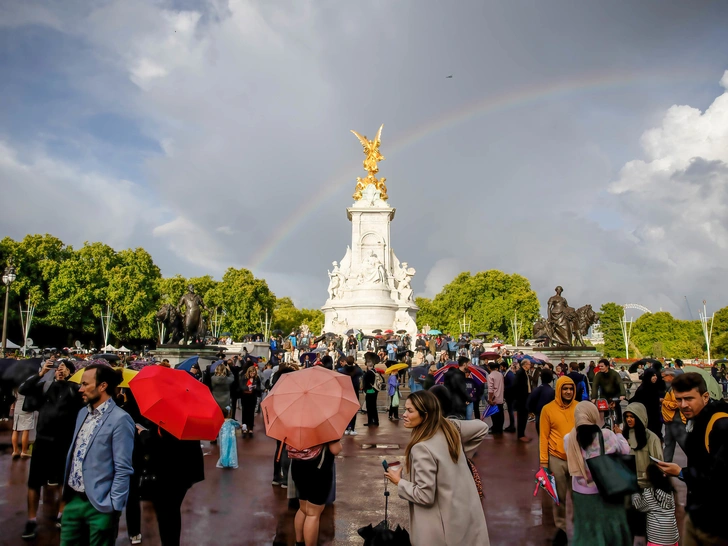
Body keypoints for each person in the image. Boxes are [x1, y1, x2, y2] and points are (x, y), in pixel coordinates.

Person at [383, 390, 490, 546]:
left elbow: (424, 495)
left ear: (425, 415)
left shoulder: (421, 448)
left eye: (410, 411)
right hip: (465, 517)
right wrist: (458, 454)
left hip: (441, 529)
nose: (404, 414)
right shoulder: (450, 429)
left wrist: (399, 482)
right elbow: (482, 427)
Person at [61, 364, 135, 546]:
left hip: (100, 506)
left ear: (102, 386)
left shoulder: (120, 419)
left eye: (85, 384)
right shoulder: (82, 413)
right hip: (73, 501)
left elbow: (123, 468)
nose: (80, 389)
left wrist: (113, 506)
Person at [657, 373, 728, 545]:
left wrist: (680, 472)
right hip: (697, 515)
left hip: (717, 526)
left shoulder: (720, 424)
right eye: (679, 399)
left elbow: (719, 478)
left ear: (705, 396)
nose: (683, 405)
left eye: (689, 399)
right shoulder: (698, 420)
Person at [19, 358, 83, 540]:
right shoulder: (45, 387)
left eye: (64, 368)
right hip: (43, 441)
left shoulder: (74, 389)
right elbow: (24, 390)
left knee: (63, 481)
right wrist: (40, 374)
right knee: (34, 482)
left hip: (63, 442)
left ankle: (62, 514)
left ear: (70, 372)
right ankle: (31, 519)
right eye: (58, 368)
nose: (60, 370)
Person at [565, 401, 631, 546]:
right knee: (608, 527)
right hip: (607, 489)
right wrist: (619, 436)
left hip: (581, 493)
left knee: (585, 530)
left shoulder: (569, 439)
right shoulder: (607, 435)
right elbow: (626, 450)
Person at [140, 424, 204, 545]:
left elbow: (160, 444)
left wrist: (143, 434)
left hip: (168, 473)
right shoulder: (188, 418)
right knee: (172, 511)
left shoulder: (169, 420)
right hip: (184, 472)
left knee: (166, 513)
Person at [614, 402, 663, 541]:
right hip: (628, 488)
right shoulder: (623, 435)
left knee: (648, 527)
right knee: (628, 526)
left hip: (646, 488)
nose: (629, 420)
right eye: (627, 416)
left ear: (640, 417)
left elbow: (658, 463)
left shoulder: (652, 438)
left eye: (632, 416)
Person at [538, 376, 576, 546]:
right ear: (559, 390)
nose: (568, 392)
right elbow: (543, 437)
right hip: (556, 459)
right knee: (559, 497)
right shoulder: (547, 409)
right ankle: (561, 528)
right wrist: (544, 463)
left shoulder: (579, 407)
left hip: (576, 460)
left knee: (578, 495)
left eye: (571, 389)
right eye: (565, 389)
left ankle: (577, 526)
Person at [291, 440, 342, 546]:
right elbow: (335, 449)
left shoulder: (295, 423)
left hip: (297, 465)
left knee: (303, 508)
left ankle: (299, 543)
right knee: (313, 514)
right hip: (318, 469)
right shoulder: (324, 424)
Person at [631, 465, 679, 546]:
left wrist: (635, 492)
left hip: (657, 540)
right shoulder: (671, 492)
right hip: (672, 539)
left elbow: (638, 505)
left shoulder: (650, 494)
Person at [661, 368, 688, 462]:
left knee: (683, 442)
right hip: (670, 420)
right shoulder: (671, 388)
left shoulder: (675, 389)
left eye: (664, 377)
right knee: (668, 443)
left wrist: (664, 402)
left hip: (676, 420)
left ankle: (696, 461)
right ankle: (666, 465)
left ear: (670, 377)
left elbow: (676, 404)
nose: (663, 379)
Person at [630, 368, 663, 440]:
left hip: (655, 417)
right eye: (653, 375)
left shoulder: (654, 387)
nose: (655, 377)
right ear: (648, 376)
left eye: (656, 375)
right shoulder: (642, 389)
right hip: (646, 418)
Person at [591, 358, 626, 424]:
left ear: (607, 366)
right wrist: (593, 397)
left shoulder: (614, 373)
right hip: (604, 395)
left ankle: (619, 423)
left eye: (602, 366)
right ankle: (604, 424)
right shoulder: (598, 375)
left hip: (615, 394)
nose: (600, 368)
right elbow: (594, 386)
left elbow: (620, 383)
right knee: (603, 411)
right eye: (599, 366)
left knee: (616, 407)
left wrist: (622, 394)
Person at [527, 368, 555, 435]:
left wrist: (534, 411)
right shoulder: (552, 392)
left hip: (539, 416)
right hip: (550, 418)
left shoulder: (536, 390)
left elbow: (529, 403)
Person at [11, 388, 35, 458]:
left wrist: (12, 407)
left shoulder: (16, 384)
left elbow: (13, 398)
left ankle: (15, 450)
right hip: (26, 407)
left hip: (17, 408)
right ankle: (24, 451)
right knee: (26, 429)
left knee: (15, 429)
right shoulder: (27, 384)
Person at [240, 365, 262, 437]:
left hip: (252, 397)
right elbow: (241, 386)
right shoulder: (244, 377)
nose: (252, 374)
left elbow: (259, 387)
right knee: (244, 412)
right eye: (251, 373)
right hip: (245, 397)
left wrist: (255, 387)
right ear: (248, 373)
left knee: (251, 413)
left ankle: (251, 428)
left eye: (254, 373)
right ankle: (244, 428)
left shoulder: (257, 378)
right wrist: (247, 387)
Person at [515, 358, 533, 442]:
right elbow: (518, 387)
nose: (530, 365)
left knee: (524, 416)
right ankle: (520, 435)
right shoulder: (520, 373)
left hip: (526, 397)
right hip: (522, 399)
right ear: (525, 364)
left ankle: (522, 433)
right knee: (522, 417)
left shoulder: (525, 373)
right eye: (529, 364)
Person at [487, 361, 505, 434]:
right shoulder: (500, 374)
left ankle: (495, 428)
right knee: (501, 413)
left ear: (489, 368)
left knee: (494, 414)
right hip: (500, 396)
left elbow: (490, 389)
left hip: (494, 397)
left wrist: (490, 399)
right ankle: (500, 428)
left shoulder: (490, 376)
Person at [362, 362, 380, 427]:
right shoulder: (375, 372)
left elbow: (366, 382)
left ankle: (370, 421)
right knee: (374, 406)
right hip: (375, 390)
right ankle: (376, 421)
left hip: (370, 391)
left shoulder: (368, 373)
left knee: (369, 407)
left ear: (367, 366)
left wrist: (365, 389)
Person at [504, 361, 518, 433]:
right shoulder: (510, 374)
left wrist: (505, 387)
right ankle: (511, 425)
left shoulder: (510, 374)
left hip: (510, 395)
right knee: (510, 410)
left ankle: (512, 426)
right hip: (510, 395)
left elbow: (512, 385)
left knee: (510, 410)